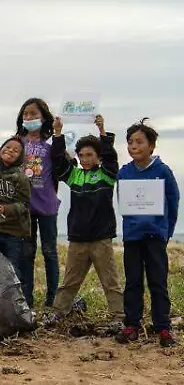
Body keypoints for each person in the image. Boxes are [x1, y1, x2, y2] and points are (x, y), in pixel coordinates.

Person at [45, 115, 122, 332]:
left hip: (101, 238)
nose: (85, 159)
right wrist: (57, 133)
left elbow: (111, 158)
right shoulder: (75, 176)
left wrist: (102, 131)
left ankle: (118, 317)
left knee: (110, 282)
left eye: (90, 155)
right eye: (81, 155)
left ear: (98, 156)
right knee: (69, 282)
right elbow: (58, 161)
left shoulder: (107, 175)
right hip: (78, 238)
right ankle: (58, 314)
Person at [115, 119, 179, 347]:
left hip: (155, 236)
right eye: (130, 142)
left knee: (158, 282)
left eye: (139, 142)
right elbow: (123, 203)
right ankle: (132, 325)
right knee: (133, 282)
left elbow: (173, 201)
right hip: (132, 236)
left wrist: (166, 231)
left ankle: (163, 327)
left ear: (151, 146)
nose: (134, 146)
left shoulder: (162, 170)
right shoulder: (124, 172)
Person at [17, 98, 67, 307]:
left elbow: (62, 163)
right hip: (24, 208)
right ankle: (26, 299)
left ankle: (52, 299)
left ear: (44, 117)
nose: (29, 117)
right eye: (26, 114)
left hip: (47, 206)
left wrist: (58, 133)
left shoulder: (51, 145)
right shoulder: (17, 143)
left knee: (49, 252)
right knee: (26, 253)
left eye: (34, 114)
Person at [0, 136, 34, 305]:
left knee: (14, 271)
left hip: (15, 234)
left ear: (20, 157)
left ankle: (19, 306)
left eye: (16, 150)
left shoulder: (21, 178)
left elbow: (24, 205)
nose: (10, 151)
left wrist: (5, 209)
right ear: (0, 149)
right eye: (8, 147)